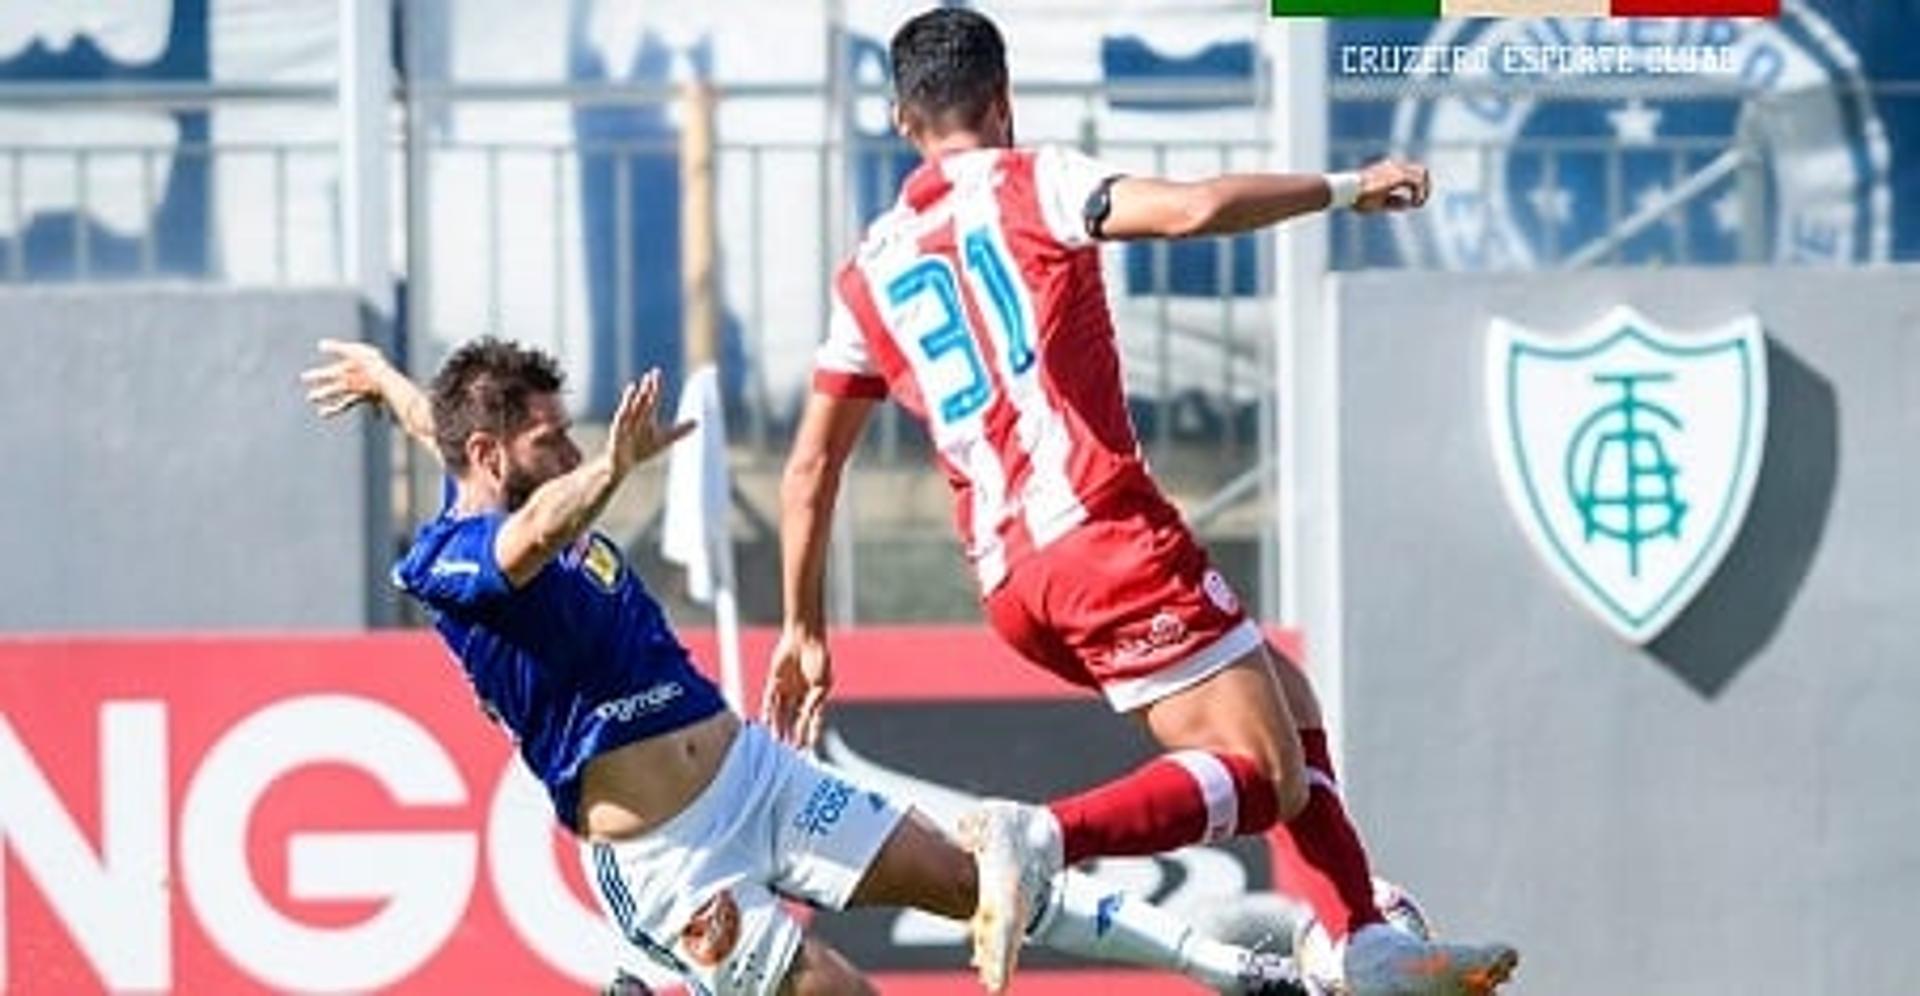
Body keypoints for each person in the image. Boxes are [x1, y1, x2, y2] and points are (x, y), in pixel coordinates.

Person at [767, 8, 1519, 996]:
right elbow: (1198, 207)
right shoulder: (1037, 178)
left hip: (1009, 580)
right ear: (1001, 101)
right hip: (1100, 532)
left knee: (1287, 708)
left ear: (904, 120)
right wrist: (1347, 187)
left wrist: (801, 628)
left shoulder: (865, 272)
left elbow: (811, 467)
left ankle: (1363, 937)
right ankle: (1039, 836)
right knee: (1266, 773)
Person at [301, 337, 1312, 996]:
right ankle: (661, 968)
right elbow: (525, 530)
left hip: (755, 774)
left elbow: (467, 451)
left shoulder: (492, 467)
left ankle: (1228, 971)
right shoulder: (451, 562)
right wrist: (611, 467)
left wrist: (391, 382)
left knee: (980, 880)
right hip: (669, 854)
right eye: (549, 441)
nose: (568, 453)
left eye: (572, 440)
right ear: (487, 453)